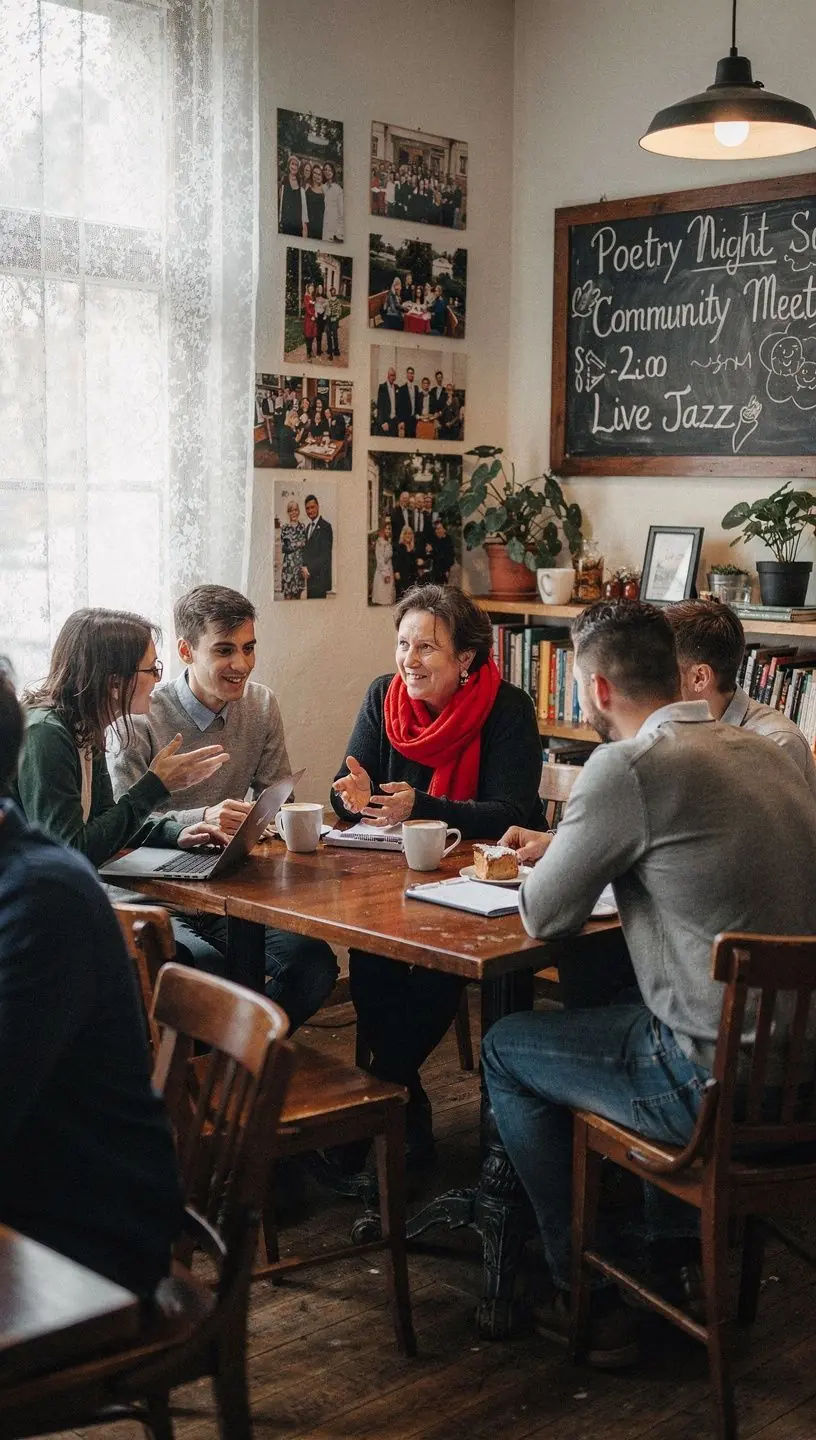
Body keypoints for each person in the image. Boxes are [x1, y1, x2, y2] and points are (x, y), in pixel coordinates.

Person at [483, 600, 816, 1366]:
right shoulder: (763, 748)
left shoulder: (628, 765)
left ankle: (588, 1290)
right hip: (803, 1073)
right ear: (679, 674)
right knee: (624, 1001)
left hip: (711, 1085)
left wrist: (572, 848)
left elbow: (544, 913)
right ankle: (671, 1257)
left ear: (595, 691)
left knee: (506, 1047)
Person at [332, 585, 544, 1164]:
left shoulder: (508, 708)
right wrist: (351, 797)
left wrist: (421, 805)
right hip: (402, 878)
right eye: (403, 644)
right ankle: (405, 1097)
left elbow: (509, 814)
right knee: (372, 952)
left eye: (426, 647)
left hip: (490, 879)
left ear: (465, 659)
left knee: (436, 964)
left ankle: (384, 1092)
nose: (410, 660)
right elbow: (353, 787)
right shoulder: (384, 698)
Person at [0, 660, 184, 1298]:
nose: (151, 680)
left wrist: (163, 798)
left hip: (86, 1239)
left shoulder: (41, 899)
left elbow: (94, 841)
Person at [109, 585, 338, 1030]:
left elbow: (278, 797)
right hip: (152, 896)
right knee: (209, 970)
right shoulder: (140, 715)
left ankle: (235, 1063)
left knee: (312, 966)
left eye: (249, 649)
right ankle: (215, 1072)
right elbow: (119, 826)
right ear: (185, 651)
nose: (242, 665)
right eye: (224, 650)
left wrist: (273, 818)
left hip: (230, 894)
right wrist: (202, 818)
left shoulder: (261, 704)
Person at [13, 608, 229, 868]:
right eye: (151, 669)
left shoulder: (86, 726)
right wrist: (155, 785)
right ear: (115, 683)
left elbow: (105, 820)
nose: (157, 679)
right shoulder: (46, 734)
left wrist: (174, 832)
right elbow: (69, 852)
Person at [666, 598, 816, 798]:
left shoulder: (775, 744)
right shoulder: (674, 729)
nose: (646, 681)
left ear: (699, 678)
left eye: (659, 669)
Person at [301, 494, 334, 598]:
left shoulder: (325, 526)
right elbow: (307, 551)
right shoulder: (307, 528)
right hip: (310, 579)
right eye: (307, 508)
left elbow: (325, 555)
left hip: (320, 580)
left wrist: (309, 569)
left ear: (318, 506)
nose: (310, 511)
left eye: (312, 507)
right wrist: (303, 567)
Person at [280, 499, 307, 599]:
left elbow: (305, 546)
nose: (294, 513)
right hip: (288, 567)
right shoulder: (285, 528)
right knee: (287, 596)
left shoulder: (302, 527)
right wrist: (298, 544)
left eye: (296, 510)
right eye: (291, 510)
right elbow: (284, 548)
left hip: (299, 566)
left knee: (297, 597)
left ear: (299, 511)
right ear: (288, 513)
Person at [279, 153, 307, 237]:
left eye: (296, 165)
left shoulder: (301, 182)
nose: (294, 167)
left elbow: (303, 206)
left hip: (298, 225)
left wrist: (304, 225)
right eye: (292, 164)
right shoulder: (283, 180)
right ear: (288, 165)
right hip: (285, 223)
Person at [371, 520, 396, 606]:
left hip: (389, 569)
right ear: (383, 530)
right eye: (387, 529)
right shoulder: (380, 543)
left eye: (390, 529)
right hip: (384, 573)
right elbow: (380, 560)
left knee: (389, 599)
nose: (389, 531)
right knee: (384, 599)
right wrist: (386, 574)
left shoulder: (387, 542)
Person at [321, 161, 344, 242]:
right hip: (323, 223)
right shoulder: (322, 187)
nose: (327, 172)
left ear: (333, 172)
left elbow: (341, 212)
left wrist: (338, 232)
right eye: (325, 170)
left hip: (333, 226)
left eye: (330, 170)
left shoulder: (338, 189)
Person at [393, 525, 417, 598]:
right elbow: (396, 560)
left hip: (412, 576)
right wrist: (396, 571)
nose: (408, 535)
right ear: (403, 535)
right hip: (402, 576)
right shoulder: (399, 546)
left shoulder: (413, 548)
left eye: (410, 533)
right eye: (406, 533)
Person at [397, 366, 419, 438]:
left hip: (414, 419)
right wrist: (401, 420)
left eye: (412, 373)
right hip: (406, 420)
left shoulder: (416, 388)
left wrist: (417, 414)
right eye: (409, 373)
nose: (411, 375)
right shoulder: (402, 389)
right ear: (407, 375)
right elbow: (399, 406)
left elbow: (417, 403)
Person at [376, 366, 399, 435]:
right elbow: (379, 406)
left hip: (395, 421)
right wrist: (382, 422)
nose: (393, 377)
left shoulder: (397, 387)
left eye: (394, 375)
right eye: (391, 375)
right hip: (386, 422)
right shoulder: (382, 387)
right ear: (388, 376)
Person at [305, 162, 325, 241]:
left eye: (319, 174)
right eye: (315, 173)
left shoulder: (325, 189)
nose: (317, 176)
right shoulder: (307, 187)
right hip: (308, 226)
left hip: (321, 227)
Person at [431, 519, 455, 584]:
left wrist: (447, 570)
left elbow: (449, 557)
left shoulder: (448, 541)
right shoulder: (435, 540)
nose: (437, 531)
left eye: (439, 529)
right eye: (436, 529)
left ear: (444, 530)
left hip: (445, 571)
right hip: (435, 571)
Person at [325, 285, 341, 360]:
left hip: (334, 320)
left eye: (334, 292)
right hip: (329, 319)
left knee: (334, 335)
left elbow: (339, 311)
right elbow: (325, 308)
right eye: (332, 292)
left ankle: (336, 350)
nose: (333, 293)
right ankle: (330, 351)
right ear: (331, 293)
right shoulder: (328, 300)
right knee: (329, 335)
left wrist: (336, 317)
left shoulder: (337, 301)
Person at [302, 281, 317, 360]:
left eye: (312, 288)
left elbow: (314, 307)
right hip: (309, 318)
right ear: (308, 288)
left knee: (311, 335)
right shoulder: (306, 296)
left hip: (313, 318)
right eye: (310, 288)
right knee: (308, 336)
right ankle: (308, 353)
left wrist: (315, 315)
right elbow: (307, 308)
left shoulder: (312, 296)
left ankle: (310, 351)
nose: (312, 289)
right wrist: (312, 315)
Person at [314, 282, 327, 358]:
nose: (320, 290)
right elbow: (315, 306)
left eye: (321, 288)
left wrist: (325, 315)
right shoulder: (315, 297)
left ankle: (320, 349)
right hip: (318, 316)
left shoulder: (324, 297)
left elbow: (326, 307)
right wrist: (315, 313)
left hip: (323, 317)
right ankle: (318, 351)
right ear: (318, 290)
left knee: (321, 333)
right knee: (318, 333)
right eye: (319, 289)